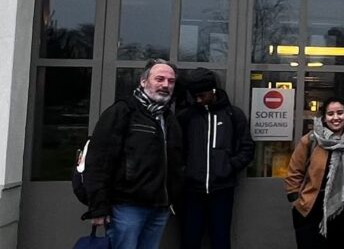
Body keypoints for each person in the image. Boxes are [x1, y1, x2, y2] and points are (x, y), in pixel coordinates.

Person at [84, 59, 184, 249]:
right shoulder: (122, 112)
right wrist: (98, 206)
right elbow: (99, 162)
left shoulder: (169, 119)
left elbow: (175, 162)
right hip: (127, 207)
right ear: (143, 81)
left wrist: (173, 195)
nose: (165, 85)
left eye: (171, 81)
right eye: (160, 79)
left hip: (159, 207)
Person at [177, 68, 253, 249]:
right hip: (191, 190)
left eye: (202, 95)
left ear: (213, 91)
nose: (197, 100)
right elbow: (175, 149)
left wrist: (228, 166)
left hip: (222, 189)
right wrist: (185, 171)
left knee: (220, 239)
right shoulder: (186, 117)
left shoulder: (233, 115)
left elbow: (247, 147)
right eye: (194, 96)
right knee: (190, 239)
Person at [284, 97, 344, 249]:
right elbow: (294, 171)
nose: (336, 118)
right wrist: (296, 200)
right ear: (324, 117)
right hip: (313, 207)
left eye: (340, 113)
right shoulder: (310, 140)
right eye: (330, 114)